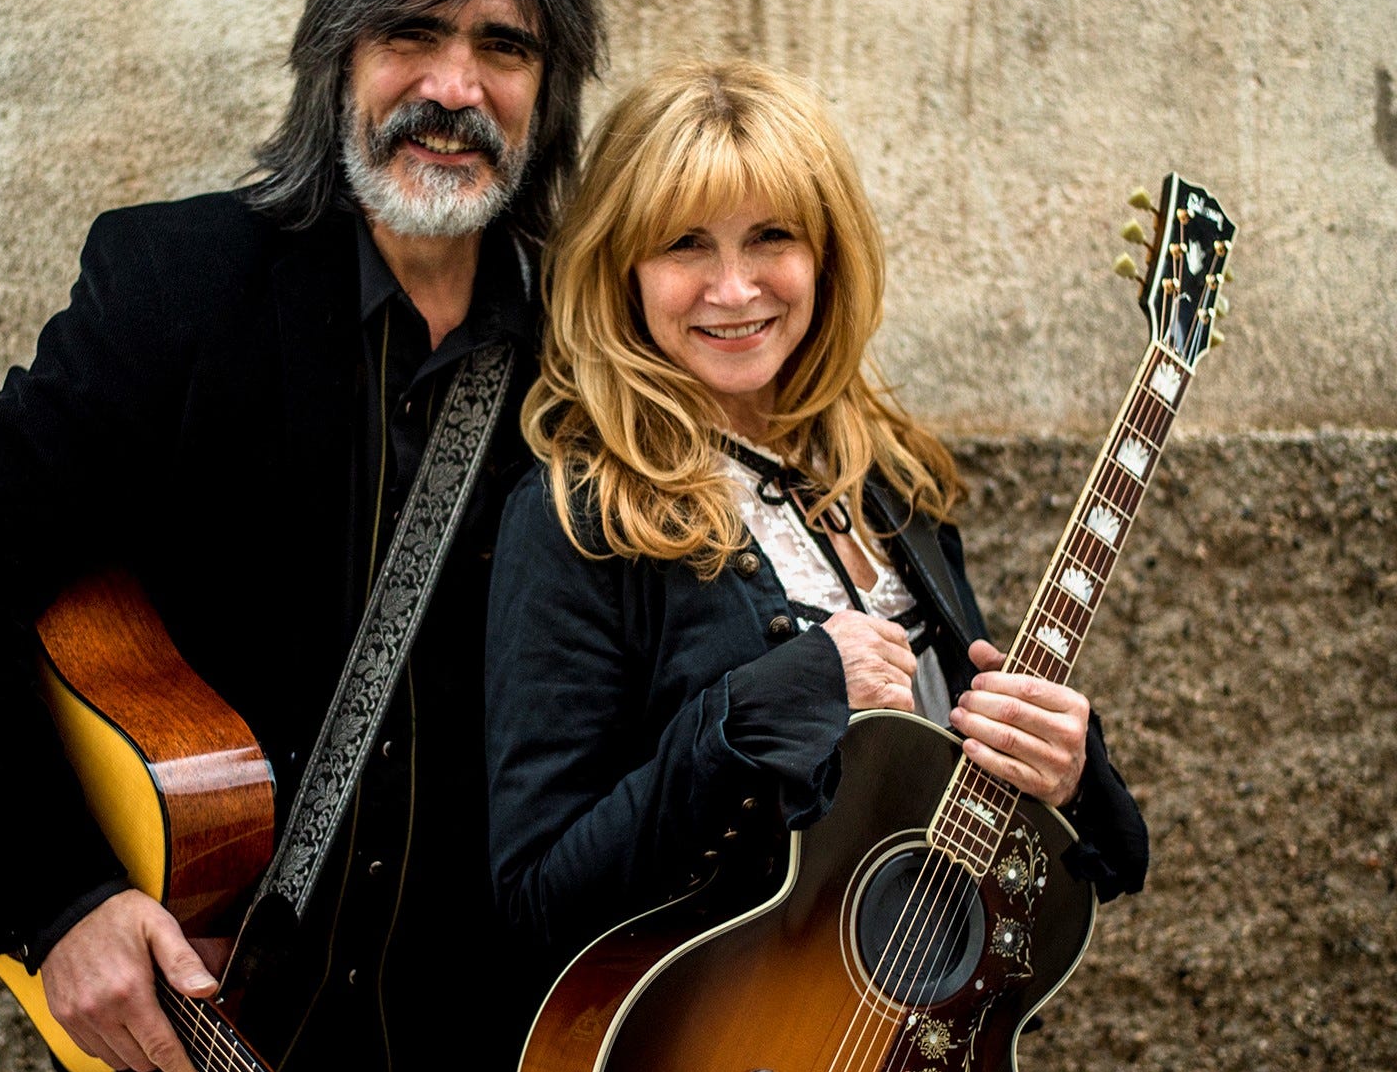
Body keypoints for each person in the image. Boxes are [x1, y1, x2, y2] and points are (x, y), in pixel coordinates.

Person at [0, 0, 603, 1072]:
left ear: (550, 91)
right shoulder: (182, 289)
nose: (453, 87)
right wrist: (64, 901)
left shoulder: (591, 356)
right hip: (206, 1048)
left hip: (482, 1057)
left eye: (504, 46)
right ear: (335, 58)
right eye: (410, 33)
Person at [486, 59, 1148, 974]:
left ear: (827, 253)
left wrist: (1069, 775)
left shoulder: (887, 473)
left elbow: (1034, 842)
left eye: (771, 236)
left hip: (914, 1031)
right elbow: (537, 900)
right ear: (621, 267)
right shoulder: (577, 517)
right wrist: (767, 705)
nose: (734, 289)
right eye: (684, 244)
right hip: (728, 1046)